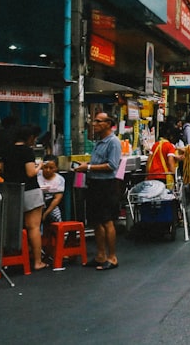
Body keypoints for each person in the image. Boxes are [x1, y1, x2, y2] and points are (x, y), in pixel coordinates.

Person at [75, 112, 122, 270]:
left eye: (98, 121)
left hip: (106, 185)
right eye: (94, 121)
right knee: (96, 220)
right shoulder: (99, 142)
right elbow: (98, 162)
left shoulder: (113, 142)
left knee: (107, 220)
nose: (94, 124)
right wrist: (87, 165)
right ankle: (100, 255)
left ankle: (112, 257)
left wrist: (88, 167)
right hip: (94, 183)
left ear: (108, 124)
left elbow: (112, 165)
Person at [1, 123, 49, 271]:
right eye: (34, 138)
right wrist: (40, 166)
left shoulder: (6, 150)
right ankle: (37, 261)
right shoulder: (27, 151)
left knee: (14, 225)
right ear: (29, 138)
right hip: (30, 191)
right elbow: (30, 173)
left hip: (12, 191)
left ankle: (11, 258)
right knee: (33, 227)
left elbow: (3, 171)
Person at [146, 124, 181, 189]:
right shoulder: (170, 146)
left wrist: (147, 175)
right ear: (171, 137)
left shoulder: (155, 145)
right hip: (163, 177)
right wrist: (174, 175)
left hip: (152, 176)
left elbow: (148, 161)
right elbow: (170, 163)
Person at [37, 155, 65, 224]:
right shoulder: (37, 175)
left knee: (57, 217)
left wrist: (46, 213)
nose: (48, 170)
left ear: (56, 168)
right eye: (46, 167)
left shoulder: (60, 180)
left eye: (51, 168)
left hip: (51, 205)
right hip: (37, 205)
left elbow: (57, 199)